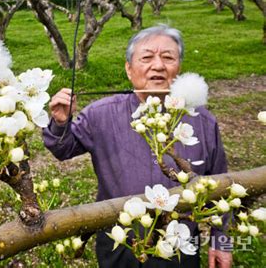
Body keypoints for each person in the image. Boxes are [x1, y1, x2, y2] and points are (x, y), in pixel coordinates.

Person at [43, 25, 233, 268]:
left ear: (179, 68)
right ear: (129, 69)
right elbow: (62, 149)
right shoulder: (101, 114)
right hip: (121, 244)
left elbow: (222, 188)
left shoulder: (202, 121)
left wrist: (223, 243)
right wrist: (60, 123)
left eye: (168, 57)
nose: (158, 65)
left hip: (180, 245)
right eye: (146, 58)